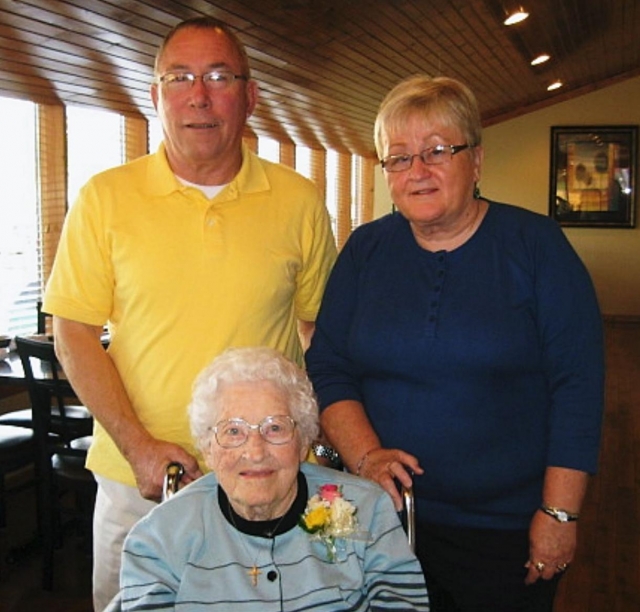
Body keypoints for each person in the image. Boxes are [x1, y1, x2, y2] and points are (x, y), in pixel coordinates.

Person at [43, 16, 336, 611]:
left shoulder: (299, 200)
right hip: (138, 481)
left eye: (219, 76)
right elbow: (71, 332)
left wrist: (319, 437)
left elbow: (319, 332)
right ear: (155, 97)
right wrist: (138, 446)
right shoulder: (105, 197)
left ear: (250, 96)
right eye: (179, 78)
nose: (198, 95)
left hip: (268, 477)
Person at [305, 75, 604, 612]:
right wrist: (366, 455)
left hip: (504, 530)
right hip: (382, 522)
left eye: (437, 151)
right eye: (399, 158)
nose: (417, 171)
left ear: (477, 161)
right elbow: (328, 365)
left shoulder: (537, 248)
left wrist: (560, 515)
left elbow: (577, 388)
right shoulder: (366, 251)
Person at [117, 346, 430, 610]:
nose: (255, 451)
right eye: (234, 431)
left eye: (275, 428)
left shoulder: (366, 509)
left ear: (304, 438)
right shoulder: (158, 539)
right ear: (207, 447)